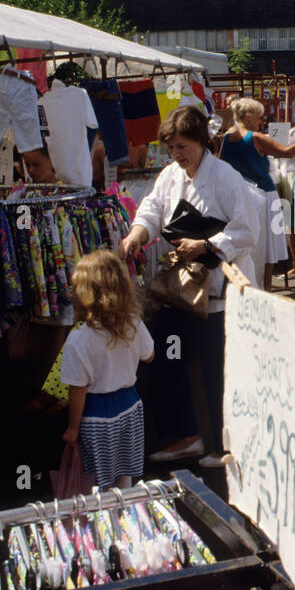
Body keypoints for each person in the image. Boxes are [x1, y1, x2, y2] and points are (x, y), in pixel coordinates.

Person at [118, 106, 259, 468]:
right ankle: (186, 436)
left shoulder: (226, 177)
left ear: (201, 141)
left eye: (183, 146)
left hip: (219, 293)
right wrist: (138, 233)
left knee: (218, 370)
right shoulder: (170, 175)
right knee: (167, 360)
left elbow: (248, 229)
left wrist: (207, 244)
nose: (177, 155)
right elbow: (151, 209)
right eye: (172, 148)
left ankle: (227, 446)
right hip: (180, 291)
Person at [60, 249, 155, 490]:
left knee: (96, 485)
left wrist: (72, 429)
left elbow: (78, 389)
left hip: (96, 415)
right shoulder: (133, 321)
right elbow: (149, 356)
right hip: (130, 407)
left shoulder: (79, 339)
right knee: (124, 479)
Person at [220, 97, 295, 290]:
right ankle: (266, 289)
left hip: (239, 196)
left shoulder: (227, 139)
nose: (260, 121)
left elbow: (222, 166)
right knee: (267, 245)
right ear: (248, 116)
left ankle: (245, 286)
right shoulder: (256, 138)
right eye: (258, 117)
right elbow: (288, 152)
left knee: (246, 243)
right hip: (264, 194)